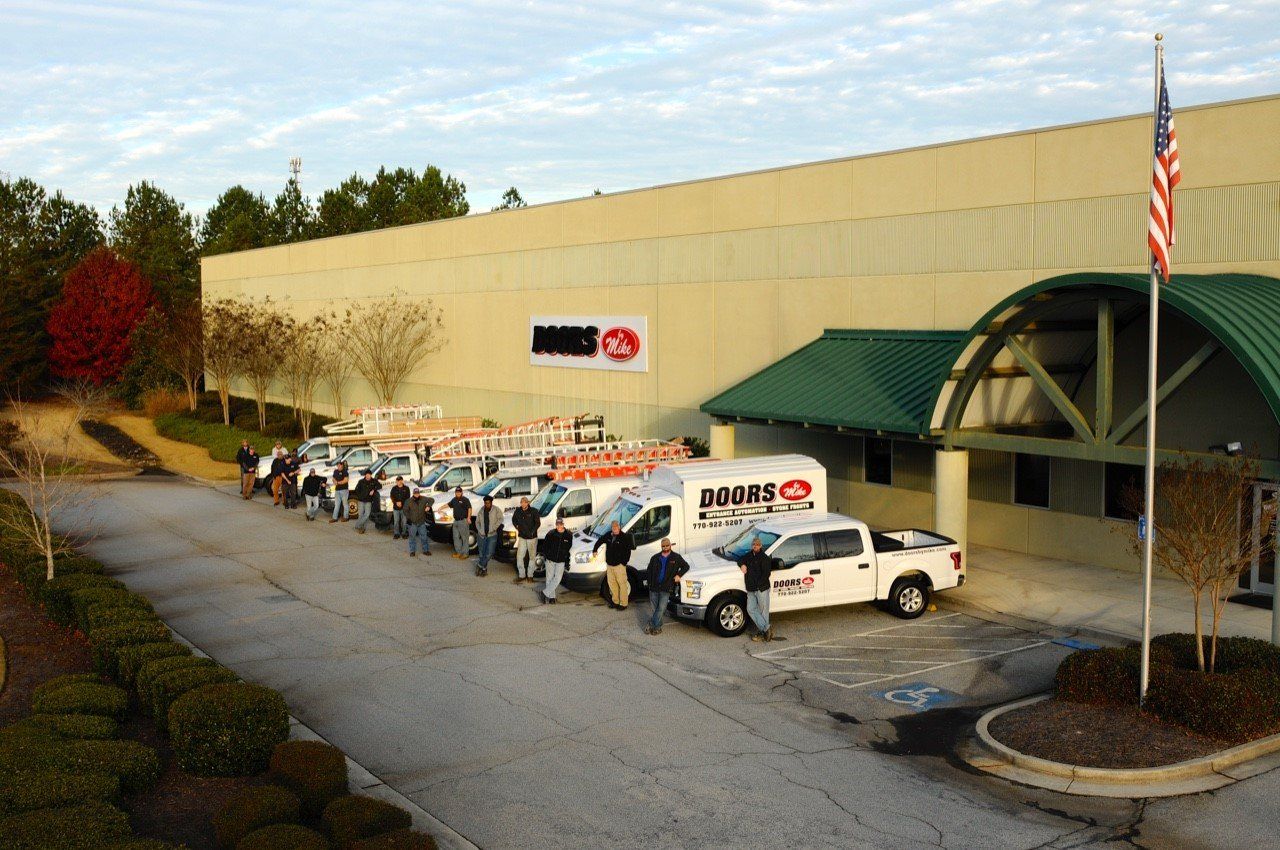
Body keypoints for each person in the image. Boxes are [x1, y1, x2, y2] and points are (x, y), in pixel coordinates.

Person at [643, 538, 689, 635]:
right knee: (655, 608)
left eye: (667, 546)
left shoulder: (676, 557)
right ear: (661, 547)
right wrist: (649, 583)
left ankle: (651, 624)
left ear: (670, 545)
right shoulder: (655, 557)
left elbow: (686, 566)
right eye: (663, 546)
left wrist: (679, 575)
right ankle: (657, 627)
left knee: (661, 608)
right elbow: (649, 571)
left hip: (666, 587)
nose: (665, 548)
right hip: (654, 587)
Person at [739, 537, 778, 642]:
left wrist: (758, 585)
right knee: (750, 609)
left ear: (760, 546)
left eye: (757, 544)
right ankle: (766, 628)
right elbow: (740, 559)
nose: (754, 546)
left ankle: (763, 633)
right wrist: (742, 565)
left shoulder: (765, 558)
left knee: (763, 612)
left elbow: (766, 574)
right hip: (750, 589)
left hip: (762, 589)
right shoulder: (748, 556)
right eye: (753, 544)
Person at [593, 520, 635, 611]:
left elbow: (628, 551)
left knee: (622, 584)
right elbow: (600, 540)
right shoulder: (608, 535)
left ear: (619, 527)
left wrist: (623, 562)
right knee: (612, 584)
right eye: (613, 527)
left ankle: (624, 604)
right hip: (610, 565)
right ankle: (615, 602)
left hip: (619, 566)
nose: (615, 528)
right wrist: (595, 549)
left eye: (616, 527)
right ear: (611, 528)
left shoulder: (624, 537)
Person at [540, 517, 573, 604]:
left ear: (563, 524)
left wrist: (567, 561)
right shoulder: (551, 534)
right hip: (550, 560)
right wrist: (547, 556)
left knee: (558, 578)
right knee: (549, 578)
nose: (559, 526)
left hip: (561, 561)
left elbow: (568, 549)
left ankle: (544, 593)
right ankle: (552, 598)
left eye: (560, 524)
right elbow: (545, 546)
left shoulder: (569, 535)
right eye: (557, 524)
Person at [511, 496, 541, 583]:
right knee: (519, 557)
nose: (523, 504)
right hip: (522, 537)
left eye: (525, 502)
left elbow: (538, 523)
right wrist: (516, 526)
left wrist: (532, 532)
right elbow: (514, 520)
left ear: (528, 503)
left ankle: (530, 576)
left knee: (532, 557)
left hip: (532, 538)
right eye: (522, 502)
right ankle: (522, 575)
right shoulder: (518, 511)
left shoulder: (534, 511)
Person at [475, 495, 503, 577]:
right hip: (482, 535)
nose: (487, 504)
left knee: (489, 553)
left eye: (488, 503)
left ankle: (480, 565)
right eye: (485, 503)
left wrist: (494, 528)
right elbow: (477, 522)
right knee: (482, 553)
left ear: (491, 503)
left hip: (492, 535)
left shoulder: (496, 509)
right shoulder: (481, 510)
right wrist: (480, 530)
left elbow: (500, 519)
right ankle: (484, 569)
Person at [404, 487, 433, 557]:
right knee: (412, 538)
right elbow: (405, 510)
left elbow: (432, 499)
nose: (417, 495)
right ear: (413, 494)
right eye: (415, 493)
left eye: (417, 493)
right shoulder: (408, 501)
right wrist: (409, 518)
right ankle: (412, 551)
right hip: (412, 523)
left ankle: (425, 550)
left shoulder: (423, 499)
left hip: (421, 522)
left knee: (424, 537)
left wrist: (428, 506)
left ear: (419, 493)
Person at [352, 470, 381, 534]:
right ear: (365, 475)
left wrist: (374, 490)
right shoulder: (361, 481)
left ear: (371, 475)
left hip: (368, 501)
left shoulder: (374, 481)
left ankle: (357, 525)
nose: (368, 476)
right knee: (361, 515)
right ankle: (362, 529)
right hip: (361, 500)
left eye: (369, 475)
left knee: (367, 514)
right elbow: (356, 490)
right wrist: (359, 496)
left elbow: (380, 486)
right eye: (367, 475)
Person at [448, 487, 472, 559]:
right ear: (455, 492)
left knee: (464, 538)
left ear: (462, 492)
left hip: (463, 521)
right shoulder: (454, 500)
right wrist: (439, 508)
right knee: (456, 537)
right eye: (456, 492)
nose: (458, 493)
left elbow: (469, 509)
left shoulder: (465, 500)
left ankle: (465, 553)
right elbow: (448, 505)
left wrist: (468, 518)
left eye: (459, 492)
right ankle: (458, 552)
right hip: (456, 521)